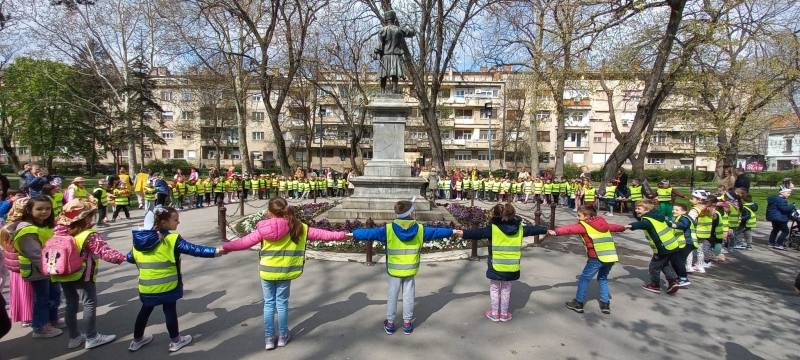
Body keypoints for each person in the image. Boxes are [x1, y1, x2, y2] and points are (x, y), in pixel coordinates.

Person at [223, 197, 349, 349]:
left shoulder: (263, 229)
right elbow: (322, 234)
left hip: (267, 272)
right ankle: (283, 336)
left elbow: (244, 242)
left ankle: (269, 339)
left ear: (269, 212)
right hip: (286, 271)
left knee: (269, 304)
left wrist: (226, 247)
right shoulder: (297, 227)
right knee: (282, 304)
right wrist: (342, 234)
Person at [352, 200, 460, 335]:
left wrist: (354, 233)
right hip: (410, 269)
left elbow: (369, 233)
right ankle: (407, 324)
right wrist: (453, 231)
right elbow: (436, 232)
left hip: (394, 270)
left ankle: (390, 324)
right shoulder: (420, 230)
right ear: (411, 212)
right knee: (408, 295)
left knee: (392, 295)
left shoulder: (388, 229)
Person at [127, 206, 225, 352]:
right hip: (168, 285)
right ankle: (175, 340)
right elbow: (193, 249)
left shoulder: (139, 240)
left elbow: (129, 258)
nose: (178, 222)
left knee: (145, 311)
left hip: (146, 286)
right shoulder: (172, 239)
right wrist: (215, 251)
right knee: (169, 310)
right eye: (175, 219)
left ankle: (137, 340)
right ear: (164, 223)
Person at [51, 199, 127, 350]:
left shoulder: (59, 232)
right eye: (91, 215)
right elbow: (105, 252)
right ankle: (92, 337)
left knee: (71, 304)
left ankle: (74, 337)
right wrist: (124, 257)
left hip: (63, 273)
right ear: (85, 218)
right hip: (83, 274)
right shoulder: (88, 234)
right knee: (89, 303)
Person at [461, 203, 547, 321]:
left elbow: (477, 233)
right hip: (512, 266)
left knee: (495, 288)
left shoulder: (493, 229)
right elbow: (533, 229)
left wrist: (462, 233)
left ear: (495, 215)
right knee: (506, 289)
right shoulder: (520, 229)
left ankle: (495, 314)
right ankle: (505, 314)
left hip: (496, 265)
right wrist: (546, 230)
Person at [549, 204, 625, 314]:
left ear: (586, 216)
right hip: (610, 257)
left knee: (584, 279)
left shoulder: (584, 225)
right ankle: (605, 304)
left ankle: (578, 303)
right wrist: (624, 227)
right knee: (603, 278)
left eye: (579, 216)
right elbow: (614, 227)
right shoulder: (603, 223)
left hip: (596, 257)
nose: (577, 218)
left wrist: (556, 232)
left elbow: (570, 229)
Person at [9, 195, 62, 337]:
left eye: (48, 208)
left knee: (54, 295)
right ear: (29, 210)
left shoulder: (44, 224)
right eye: (39, 209)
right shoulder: (27, 229)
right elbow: (35, 254)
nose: (44, 212)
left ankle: (51, 320)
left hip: (51, 267)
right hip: (39, 270)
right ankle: (40, 328)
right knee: (42, 298)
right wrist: (50, 269)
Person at [626, 199, 680, 295]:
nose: (636, 210)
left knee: (654, 267)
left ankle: (655, 285)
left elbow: (642, 224)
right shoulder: (657, 216)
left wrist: (629, 226)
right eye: (636, 208)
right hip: (672, 245)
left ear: (646, 210)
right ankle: (673, 281)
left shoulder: (648, 220)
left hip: (662, 247)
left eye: (639, 209)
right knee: (664, 264)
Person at [1, 197, 35, 328]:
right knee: (27, 291)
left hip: (12, 265)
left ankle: (19, 313)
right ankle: (27, 316)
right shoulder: (23, 227)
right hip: (24, 264)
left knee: (17, 291)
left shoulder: (6, 226)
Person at [670, 204, 694, 287]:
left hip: (689, 242)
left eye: (677, 210)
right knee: (674, 260)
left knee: (679, 260)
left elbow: (684, 225)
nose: (674, 211)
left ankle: (683, 278)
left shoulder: (684, 218)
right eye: (673, 209)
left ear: (684, 212)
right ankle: (679, 277)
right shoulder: (677, 218)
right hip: (682, 243)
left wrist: (673, 225)